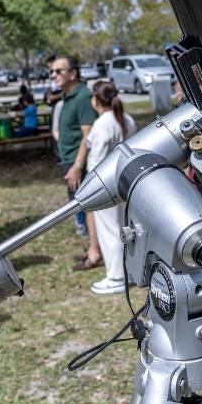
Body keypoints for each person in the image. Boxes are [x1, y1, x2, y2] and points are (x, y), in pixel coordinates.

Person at [82, 81, 135, 294]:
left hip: (104, 185)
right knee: (124, 228)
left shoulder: (103, 123)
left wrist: (89, 186)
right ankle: (129, 271)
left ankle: (115, 277)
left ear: (95, 100)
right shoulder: (127, 119)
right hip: (125, 181)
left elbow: (94, 160)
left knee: (109, 230)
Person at [51, 56, 97, 237]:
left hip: (79, 163)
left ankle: (94, 248)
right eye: (52, 72)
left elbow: (88, 135)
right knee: (77, 203)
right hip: (68, 159)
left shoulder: (82, 96)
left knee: (87, 205)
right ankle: (90, 244)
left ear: (73, 74)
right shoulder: (67, 95)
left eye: (58, 71)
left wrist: (77, 166)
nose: (53, 75)